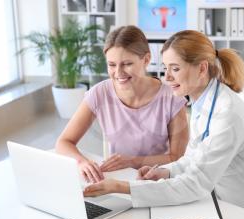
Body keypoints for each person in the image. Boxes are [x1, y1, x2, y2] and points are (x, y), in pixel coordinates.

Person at [83, 30, 244, 219]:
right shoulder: (201, 102)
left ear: (202, 69)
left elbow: (196, 184)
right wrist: (166, 171)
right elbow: (196, 157)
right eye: (166, 68)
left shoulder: (228, 113)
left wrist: (121, 187)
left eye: (175, 69)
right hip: (235, 208)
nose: (167, 77)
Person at [55, 26, 189, 184]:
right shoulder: (99, 93)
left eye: (126, 64)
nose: (118, 72)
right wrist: (82, 162)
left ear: (146, 60)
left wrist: (133, 161)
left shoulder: (171, 98)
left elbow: (177, 157)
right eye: (111, 65)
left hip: (158, 181)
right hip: (117, 181)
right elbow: (63, 142)